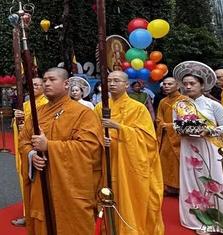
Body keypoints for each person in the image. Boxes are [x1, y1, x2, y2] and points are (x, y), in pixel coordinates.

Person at [19, 68, 103, 235]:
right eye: (44, 80)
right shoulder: (37, 113)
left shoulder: (83, 113)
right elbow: (24, 140)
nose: (47, 84)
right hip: (42, 182)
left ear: (66, 84)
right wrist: (31, 154)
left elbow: (90, 148)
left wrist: (49, 146)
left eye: (52, 79)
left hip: (70, 187)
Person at [176, 69, 223, 234]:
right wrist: (182, 131)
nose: (188, 87)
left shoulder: (213, 104)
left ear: (202, 85)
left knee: (215, 182)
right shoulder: (179, 105)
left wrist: (209, 131)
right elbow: (176, 126)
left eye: (192, 83)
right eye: (186, 84)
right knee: (193, 183)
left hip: (210, 147)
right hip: (188, 148)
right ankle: (199, 221)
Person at [95, 71, 164, 234]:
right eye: (109, 81)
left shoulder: (138, 108)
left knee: (132, 197)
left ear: (126, 84)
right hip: (108, 159)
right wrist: (101, 140)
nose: (112, 84)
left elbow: (148, 139)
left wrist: (118, 128)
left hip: (130, 163)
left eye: (116, 81)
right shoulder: (99, 108)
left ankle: (132, 229)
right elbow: (93, 132)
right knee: (109, 193)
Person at [11, 77, 49, 227]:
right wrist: (17, 122)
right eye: (33, 84)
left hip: (39, 150)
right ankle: (28, 213)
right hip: (26, 149)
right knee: (25, 180)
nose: (35, 87)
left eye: (38, 84)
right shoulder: (25, 105)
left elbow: (45, 127)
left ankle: (42, 214)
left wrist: (26, 127)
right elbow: (19, 129)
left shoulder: (46, 104)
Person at [155, 76, 190, 197]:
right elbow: (159, 118)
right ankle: (170, 187)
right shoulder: (163, 101)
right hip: (166, 136)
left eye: (170, 84)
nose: (166, 86)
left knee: (179, 162)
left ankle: (182, 187)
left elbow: (187, 119)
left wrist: (169, 126)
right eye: (164, 84)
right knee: (165, 160)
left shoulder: (184, 100)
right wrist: (162, 125)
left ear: (178, 86)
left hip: (179, 136)